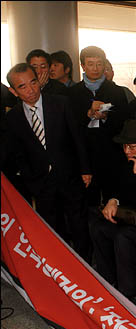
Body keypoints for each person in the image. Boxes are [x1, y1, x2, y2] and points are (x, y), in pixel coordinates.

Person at [5, 63, 92, 262]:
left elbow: (78, 138)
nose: (31, 90)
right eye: (23, 87)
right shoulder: (13, 117)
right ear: (14, 91)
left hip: (70, 176)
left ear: (39, 80)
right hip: (41, 183)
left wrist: (85, 169)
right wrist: (31, 181)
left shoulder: (61, 103)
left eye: (33, 82)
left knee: (79, 226)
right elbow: (18, 154)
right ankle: (62, 268)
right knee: (53, 228)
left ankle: (86, 268)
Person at [88, 119, 136, 299]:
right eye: (125, 146)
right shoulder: (123, 162)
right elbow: (116, 189)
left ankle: (128, 293)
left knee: (122, 236)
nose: (127, 151)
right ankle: (108, 282)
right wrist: (113, 200)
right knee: (98, 227)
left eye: (132, 147)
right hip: (127, 216)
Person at [68, 45, 129, 207]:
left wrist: (106, 117)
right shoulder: (72, 93)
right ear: (83, 66)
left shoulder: (116, 91)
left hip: (111, 153)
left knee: (113, 200)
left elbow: (124, 121)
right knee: (87, 204)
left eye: (99, 64)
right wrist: (88, 114)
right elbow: (69, 126)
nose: (95, 68)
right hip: (84, 156)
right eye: (90, 64)